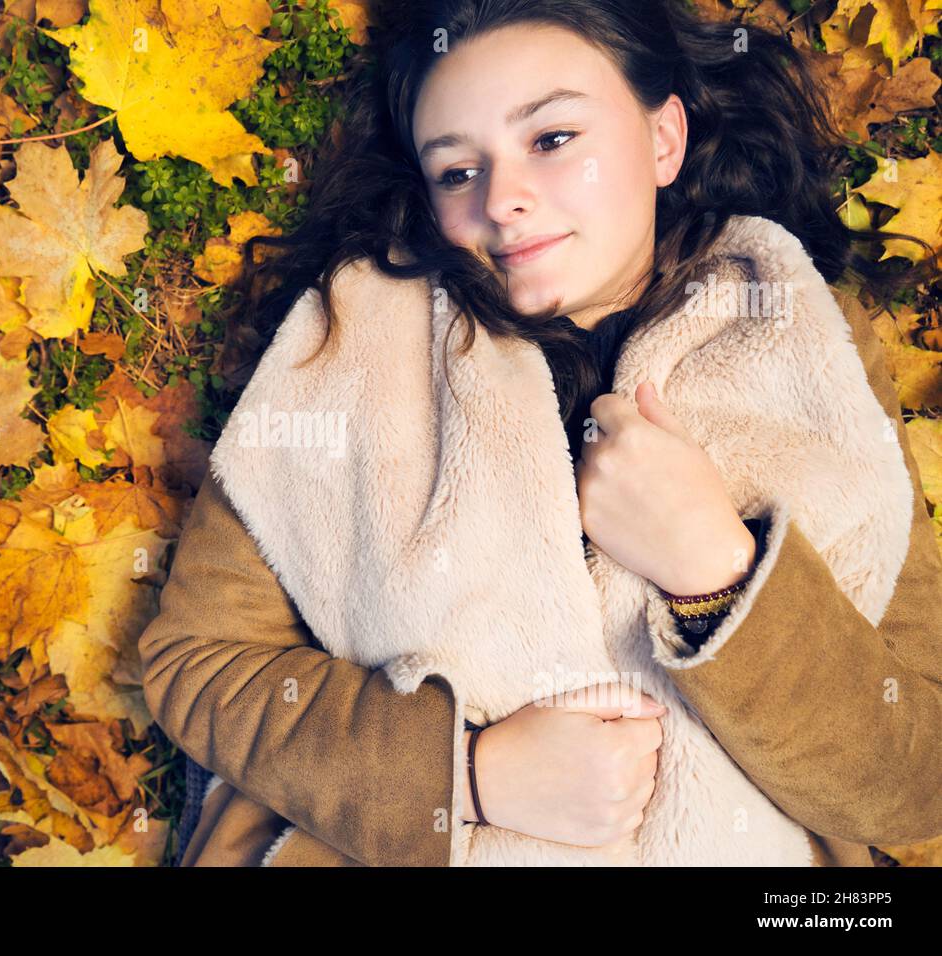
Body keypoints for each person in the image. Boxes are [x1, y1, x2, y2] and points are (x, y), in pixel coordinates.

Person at [138, 0, 942, 866]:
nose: (504, 199)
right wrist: (466, 777)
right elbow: (199, 661)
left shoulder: (803, 338)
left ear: (663, 137)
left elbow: (915, 773)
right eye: (456, 171)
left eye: (552, 139)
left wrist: (718, 575)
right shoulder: (345, 345)